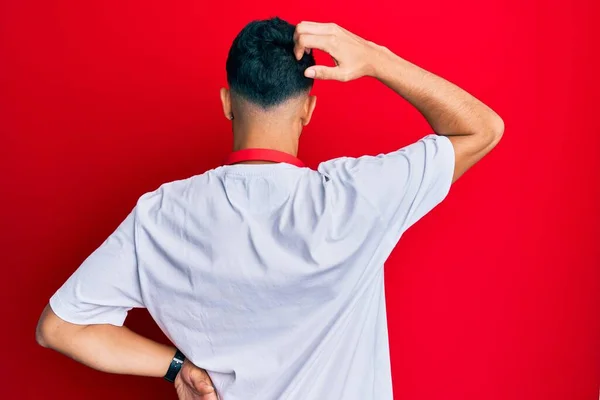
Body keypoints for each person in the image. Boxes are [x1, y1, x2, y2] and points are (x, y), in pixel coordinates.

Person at [36, 17, 503, 400]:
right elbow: (481, 128)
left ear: (226, 104)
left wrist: (176, 367)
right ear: (308, 109)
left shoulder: (162, 215)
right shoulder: (357, 196)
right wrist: (375, 60)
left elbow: (59, 327)